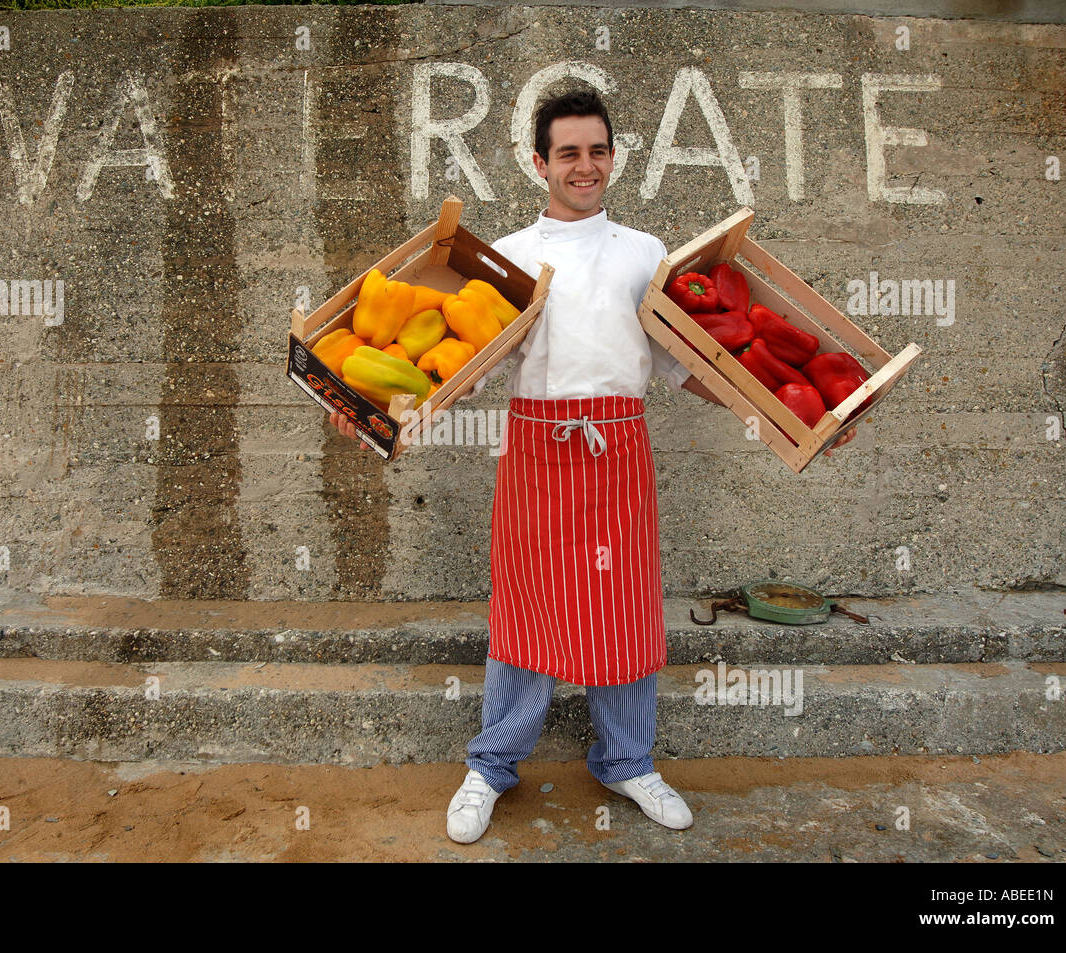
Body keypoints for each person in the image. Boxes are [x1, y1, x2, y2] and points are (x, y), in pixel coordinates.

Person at [330, 88, 854, 844]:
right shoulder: (504, 255)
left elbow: (695, 367)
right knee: (525, 610)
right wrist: (385, 414)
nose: (585, 165)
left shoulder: (646, 255)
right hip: (538, 449)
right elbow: (461, 370)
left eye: (597, 150)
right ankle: (493, 762)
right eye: (568, 153)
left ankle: (627, 758)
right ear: (539, 163)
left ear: (614, 157)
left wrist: (792, 416)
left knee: (625, 611)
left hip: (618, 448)